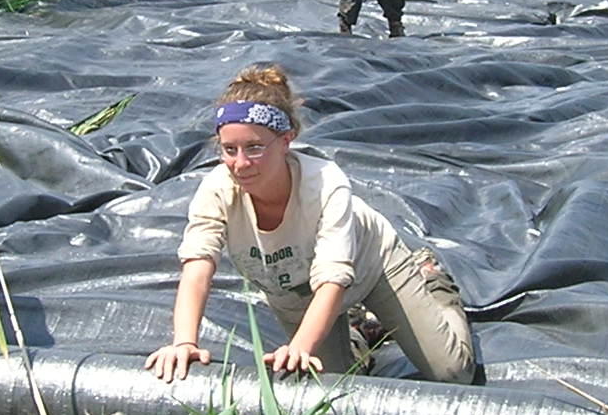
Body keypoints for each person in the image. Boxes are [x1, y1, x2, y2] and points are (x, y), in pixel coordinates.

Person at [144, 63, 479, 384]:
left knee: (452, 373)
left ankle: (431, 282)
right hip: (294, 294)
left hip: (372, 269)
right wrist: (184, 342)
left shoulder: (324, 184)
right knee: (327, 387)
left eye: (255, 148)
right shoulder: (217, 189)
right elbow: (197, 267)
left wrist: (300, 348)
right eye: (229, 149)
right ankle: (359, 330)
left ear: (287, 140)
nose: (241, 163)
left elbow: (333, 279)